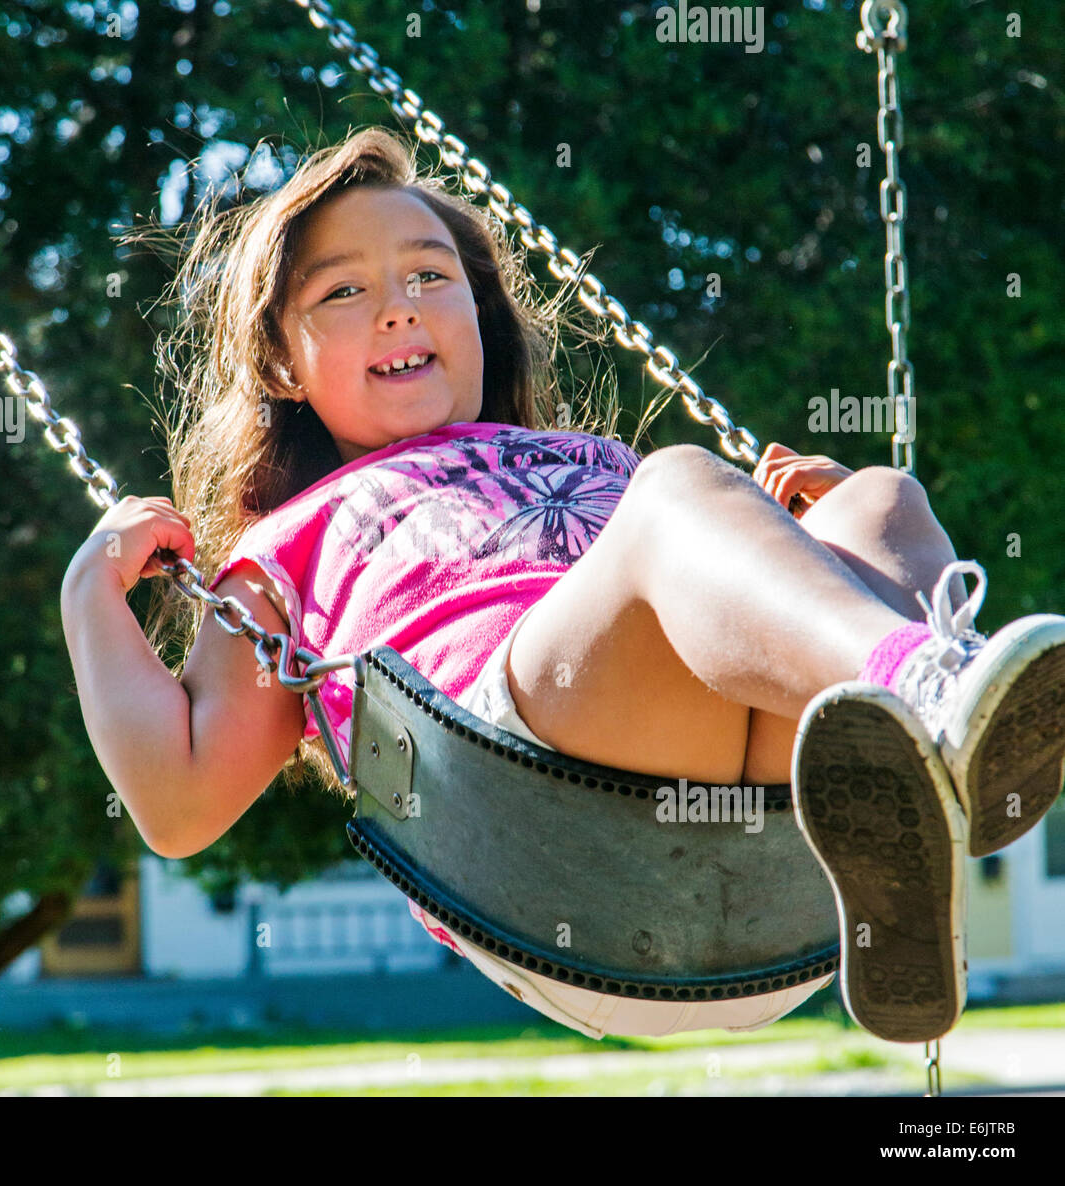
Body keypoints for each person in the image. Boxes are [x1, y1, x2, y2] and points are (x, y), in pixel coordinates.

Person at [60, 126, 1065, 1044]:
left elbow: (689, 589)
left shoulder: (582, 456)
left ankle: (913, 794)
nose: (399, 302)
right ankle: (934, 692)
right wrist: (89, 595)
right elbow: (178, 805)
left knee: (878, 498)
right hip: (532, 820)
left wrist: (831, 548)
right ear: (278, 364)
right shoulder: (283, 548)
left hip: (765, 868)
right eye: (342, 292)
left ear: (480, 314)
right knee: (677, 485)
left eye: (428, 273)